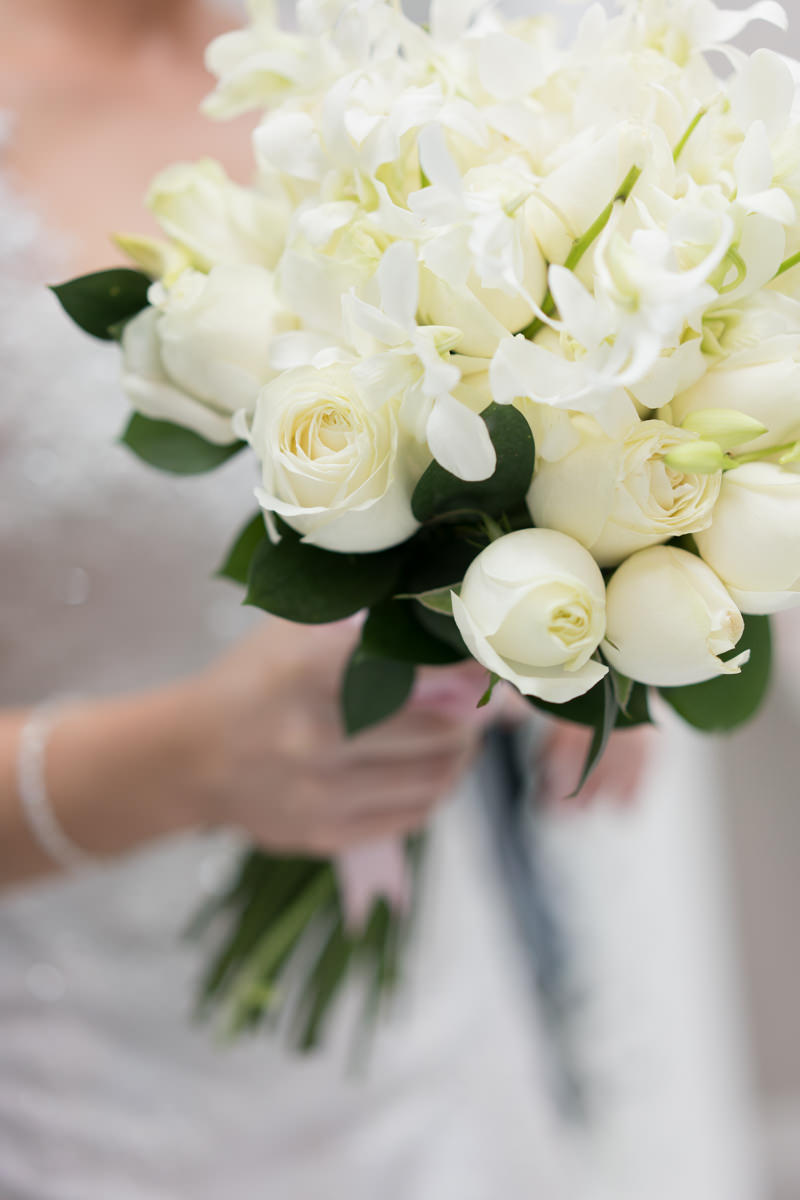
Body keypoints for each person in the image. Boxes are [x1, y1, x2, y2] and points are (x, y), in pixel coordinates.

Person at [0, 2, 656, 1196]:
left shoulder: (366, 46)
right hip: (93, 1102)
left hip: (437, 1066)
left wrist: (598, 559)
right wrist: (183, 759)